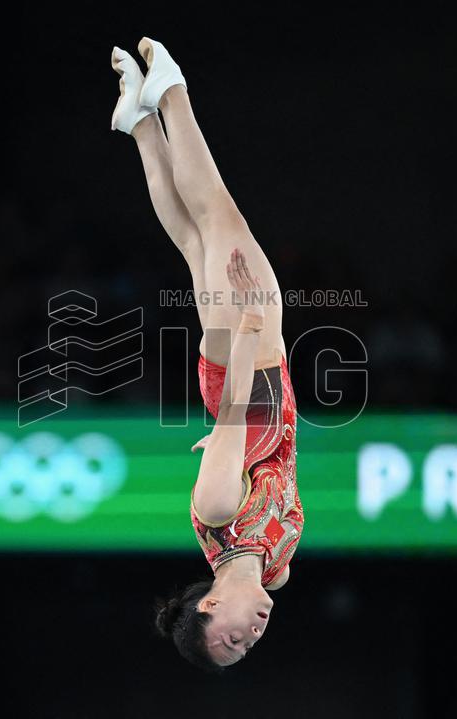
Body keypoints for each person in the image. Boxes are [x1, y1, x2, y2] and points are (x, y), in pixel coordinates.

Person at [110, 37, 304, 671]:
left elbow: (234, 413)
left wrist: (249, 329)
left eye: (232, 639)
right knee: (196, 241)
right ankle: (140, 126)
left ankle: (171, 93)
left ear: (206, 607)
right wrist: (232, 450)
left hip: (247, 364)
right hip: (256, 376)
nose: (252, 636)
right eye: (248, 649)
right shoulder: (274, 571)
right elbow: (269, 454)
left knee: (218, 217)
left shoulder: (218, 511)